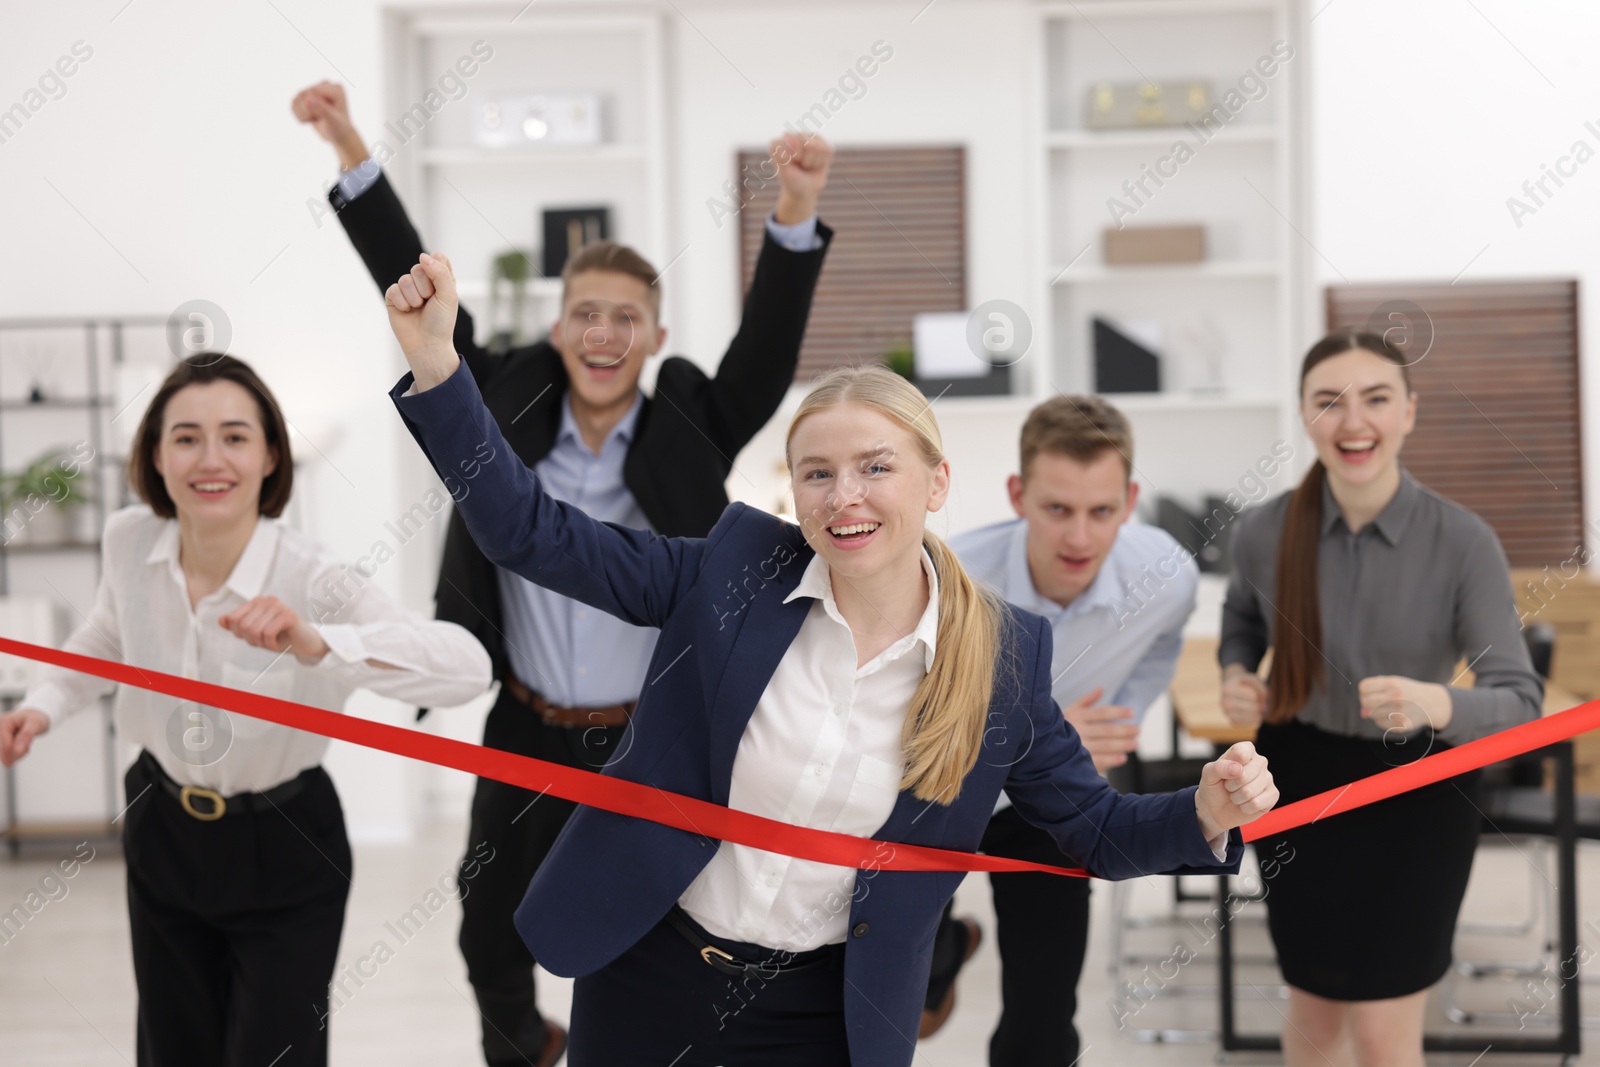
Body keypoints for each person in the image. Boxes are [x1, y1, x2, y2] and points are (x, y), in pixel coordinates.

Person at [379, 249, 1277, 1067]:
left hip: (819, 1011)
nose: (844, 497)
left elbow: (1097, 832)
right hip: (646, 974)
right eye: (817, 472)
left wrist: (1203, 807)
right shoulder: (729, 572)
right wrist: (438, 365)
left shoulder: (1000, 659)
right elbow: (532, 535)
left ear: (936, 482)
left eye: (875, 467)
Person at [292, 81, 835, 1065]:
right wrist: (347, 145)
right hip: (528, 721)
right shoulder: (505, 397)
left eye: (627, 316)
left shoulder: (687, 418)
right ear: (557, 329)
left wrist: (792, 211)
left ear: (656, 338)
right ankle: (520, 1046)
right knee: (486, 929)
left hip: (651, 733)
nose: (603, 333)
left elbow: (761, 358)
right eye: (585, 312)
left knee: (656, 936)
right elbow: (416, 290)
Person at [0, 355, 492, 1067]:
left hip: (287, 844)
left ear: (269, 456)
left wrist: (322, 642)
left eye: (235, 436)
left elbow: (466, 667)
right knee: (174, 1051)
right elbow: (108, 633)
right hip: (161, 827)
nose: (211, 458)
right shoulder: (127, 540)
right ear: (156, 456)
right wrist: (43, 707)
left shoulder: (313, 578)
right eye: (186, 437)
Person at [1219, 331, 1543, 1067]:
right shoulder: (1264, 530)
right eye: (1328, 401)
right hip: (1296, 780)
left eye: (1376, 398)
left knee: (1382, 1034)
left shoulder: (1465, 542)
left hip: (1420, 791)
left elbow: (1521, 702)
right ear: (1304, 415)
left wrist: (1439, 703)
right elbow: (1241, 616)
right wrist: (1238, 666)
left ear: (1409, 413)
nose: (1352, 420)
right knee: (1315, 1010)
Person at [922, 395, 1200, 1059]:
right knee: (905, 991)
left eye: (1101, 511)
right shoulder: (945, 578)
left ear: (1130, 501)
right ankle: (947, 945)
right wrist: (1031, 733)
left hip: (1049, 803)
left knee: (1044, 1016)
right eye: (1058, 509)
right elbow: (906, 714)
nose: (1079, 536)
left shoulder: (1166, 577)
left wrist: (1121, 716)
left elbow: (1164, 642)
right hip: (944, 785)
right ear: (1018, 494)